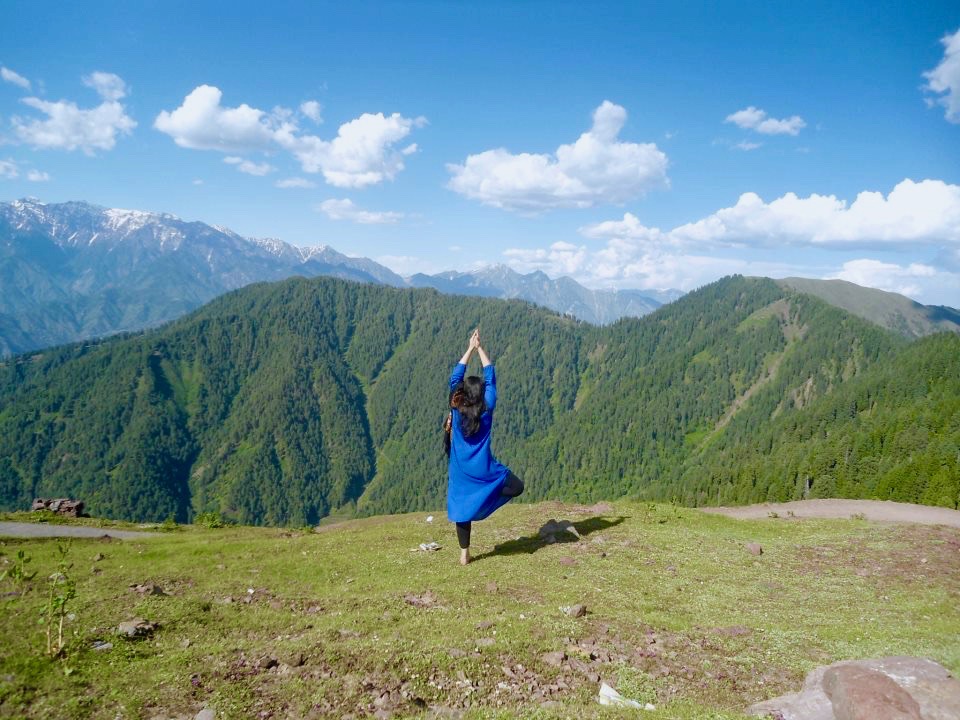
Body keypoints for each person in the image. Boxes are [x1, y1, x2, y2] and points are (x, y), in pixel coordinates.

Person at [445, 328, 524, 565]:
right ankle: (485, 500)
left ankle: (464, 555)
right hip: (485, 471)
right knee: (517, 486)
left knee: (462, 509)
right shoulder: (486, 408)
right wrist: (480, 349)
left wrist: (469, 347)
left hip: (460, 471)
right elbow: (491, 376)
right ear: (480, 396)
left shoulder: (456, 409)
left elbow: (455, 378)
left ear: (463, 394)